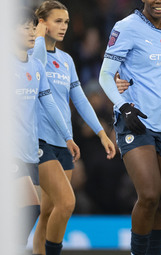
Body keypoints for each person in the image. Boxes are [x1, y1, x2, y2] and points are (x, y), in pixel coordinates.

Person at [32, 1, 116, 255]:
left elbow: (79, 98)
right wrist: (37, 36)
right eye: (57, 21)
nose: (64, 27)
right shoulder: (32, 55)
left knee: (48, 211)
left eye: (66, 22)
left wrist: (101, 133)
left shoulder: (66, 60)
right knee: (67, 202)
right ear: (42, 24)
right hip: (39, 142)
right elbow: (37, 64)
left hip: (63, 142)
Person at [98, 1, 161, 254]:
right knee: (149, 195)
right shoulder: (126, 27)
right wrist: (124, 106)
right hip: (135, 119)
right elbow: (105, 75)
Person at [12, 7, 79, 253]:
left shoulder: (36, 67)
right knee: (31, 209)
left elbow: (49, 102)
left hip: (30, 150)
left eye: (33, 27)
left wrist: (68, 136)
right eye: (25, 28)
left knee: (39, 210)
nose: (32, 32)